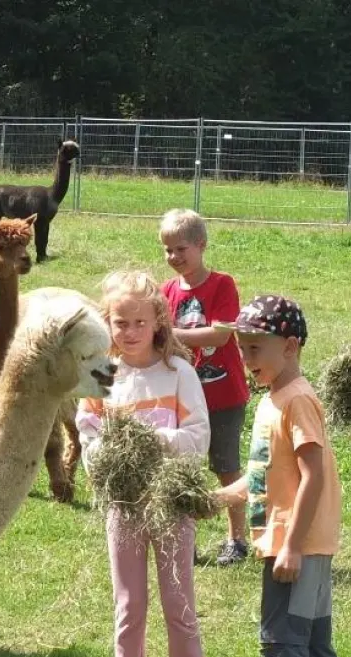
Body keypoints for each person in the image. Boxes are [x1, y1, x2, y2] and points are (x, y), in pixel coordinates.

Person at [212, 295, 351, 657]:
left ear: (290, 347)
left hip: (295, 547)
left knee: (282, 646)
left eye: (255, 349)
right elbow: (263, 477)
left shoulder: (295, 400)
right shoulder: (274, 399)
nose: (245, 358)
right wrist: (215, 498)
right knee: (312, 647)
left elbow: (314, 476)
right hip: (297, 544)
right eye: (241, 349)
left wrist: (291, 544)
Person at [77, 270, 213, 657]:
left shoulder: (178, 374)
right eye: (120, 323)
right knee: (129, 605)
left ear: (158, 320)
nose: (130, 332)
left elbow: (198, 437)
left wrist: (154, 439)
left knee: (179, 603)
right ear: (107, 323)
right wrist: (103, 457)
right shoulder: (103, 374)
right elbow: (88, 433)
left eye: (139, 322)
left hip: (169, 502)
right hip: (124, 504)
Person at [160, 208, 252, 566]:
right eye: (167, 250)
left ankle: (237, 539)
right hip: (182, 400)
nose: (173, 257)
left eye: (181, 249)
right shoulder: (166, 291)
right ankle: (185, 538)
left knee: (226, 465)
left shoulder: (222, 284)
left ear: (201, 245)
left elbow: (221, 334)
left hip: (223, 395)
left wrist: (170, 334)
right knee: (183, 468)